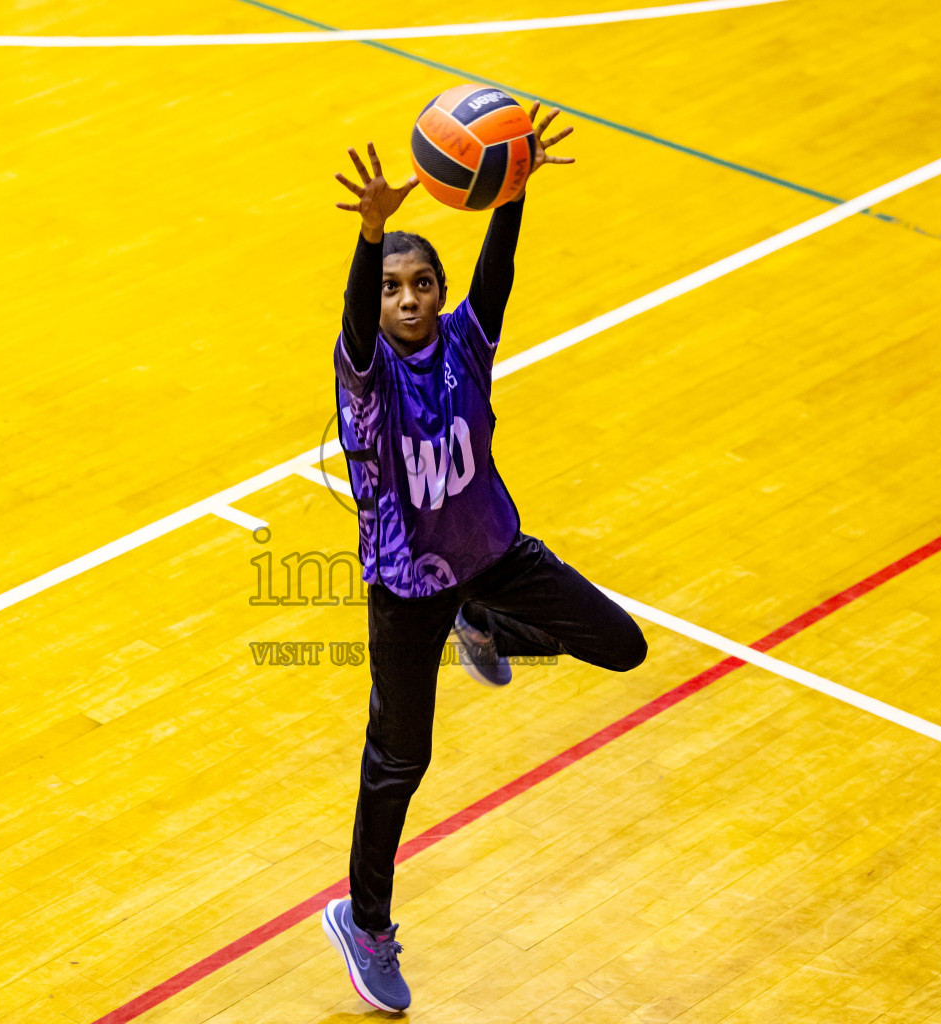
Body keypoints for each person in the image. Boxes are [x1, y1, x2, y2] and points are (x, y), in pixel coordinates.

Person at [318, 107, 649, 1012]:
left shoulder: (467, 340)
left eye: (423, 283)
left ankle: (484, 617)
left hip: (497, 555)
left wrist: (514, 190)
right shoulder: (366, 375)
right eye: (393, 288)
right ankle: (366, 924)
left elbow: (499, 278)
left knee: (623, 647)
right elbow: (352, 321)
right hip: (407, 588)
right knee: (399, 761)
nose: (410, 298)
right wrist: (371, 236)